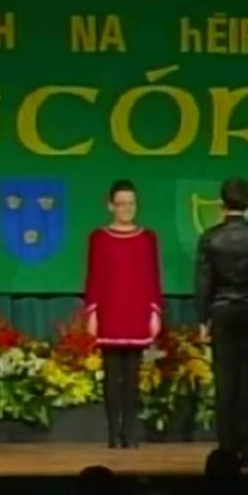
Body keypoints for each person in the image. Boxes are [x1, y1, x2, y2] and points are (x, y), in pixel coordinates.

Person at [195, 177, 248, 468]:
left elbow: (203, 282)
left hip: (222, 311)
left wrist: (203, 318)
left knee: (226, 381)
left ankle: (227, 448)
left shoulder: (210, 238)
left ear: (221, 204)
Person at [82, 179, 164, 449]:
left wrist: (154, 311)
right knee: (112, 375)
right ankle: (113, 433)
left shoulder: (147, 238)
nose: (126, 209)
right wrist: (92, 312)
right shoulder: (99, 238)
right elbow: (94, 277)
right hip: (110, 311)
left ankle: (129, 433)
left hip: (137, 311)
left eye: (131, 204)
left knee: (132, 377)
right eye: (121, 204)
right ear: (110, 206)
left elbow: (152, 277)